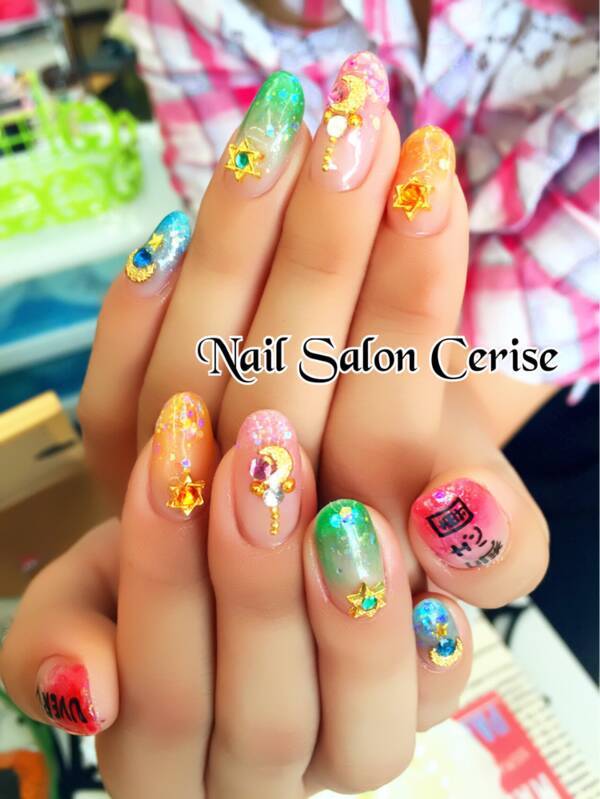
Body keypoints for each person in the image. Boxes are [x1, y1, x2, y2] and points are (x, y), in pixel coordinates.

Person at [1, 0, 598, 795]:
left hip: (558, 424)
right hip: (311, 406)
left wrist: (408, 438)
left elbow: (506, 338)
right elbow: (247, 275)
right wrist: (152, 539)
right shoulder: (187, 9)